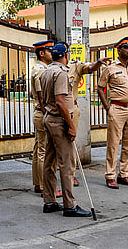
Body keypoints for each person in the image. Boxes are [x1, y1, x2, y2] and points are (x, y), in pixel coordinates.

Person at [40, 42, 91, 217]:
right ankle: (69, 205)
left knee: (49, 162)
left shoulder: (46, 71)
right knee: (67, 164)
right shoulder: (61, 73)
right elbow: (61, 102)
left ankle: (49, 201)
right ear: (66, 55)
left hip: (49, 118)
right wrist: (71, 125)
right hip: (59, 120)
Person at [97, 37, 128, 189]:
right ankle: (110, 175)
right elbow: (100, 88)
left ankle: (123, 174)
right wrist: (107, 107)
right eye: (126, 47)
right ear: (119, 50)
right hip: (117, 109)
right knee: (113, 143)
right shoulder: (109, 68)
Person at [68, 49, 111, 186]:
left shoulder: (75, 65)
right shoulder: (49, 69)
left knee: (71, 144)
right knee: (50, 147)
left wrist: (98, 62)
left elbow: (90, 67)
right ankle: (45, 182)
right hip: (54, 110)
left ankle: (71, 175)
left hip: (71, 109)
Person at [30, 40, 62, 197]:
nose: (52, 53)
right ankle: (45, 186)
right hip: (43, 113)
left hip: (40, 112)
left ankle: (38, 183)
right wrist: (48, 115)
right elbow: (42, 98)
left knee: (38, 149)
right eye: (50, 51)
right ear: (42, 53)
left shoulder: (40, 68)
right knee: (44, 151)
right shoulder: (41, 71)